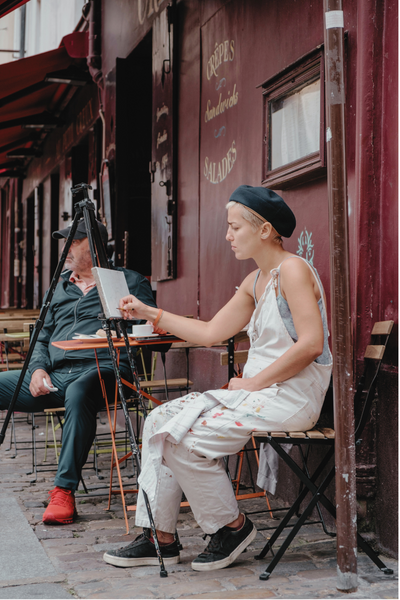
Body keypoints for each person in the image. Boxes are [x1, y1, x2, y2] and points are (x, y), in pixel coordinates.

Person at [103, 185, 332, 572]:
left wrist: (253, 383)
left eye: (234, 227)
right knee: (159, 421)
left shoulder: (292, 270)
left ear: (263, 231)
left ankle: (232, 527)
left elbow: (311, 344)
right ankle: (161, 536)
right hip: (262, 394)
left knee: (180, 440)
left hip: (291, 397)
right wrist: (148, 311)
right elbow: (211, 332)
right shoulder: (256, 280)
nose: (227, 235)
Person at [0, 218, 156, 525]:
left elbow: (150, 331)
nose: (67, 248)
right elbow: (41, 337)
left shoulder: (128, 281)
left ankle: (63, 491)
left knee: (80, 390)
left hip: (107, 371)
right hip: (57, 375)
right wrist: (37, 369)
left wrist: (131, 320)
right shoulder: (59, 287)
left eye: (74, 241)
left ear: (95, 245)